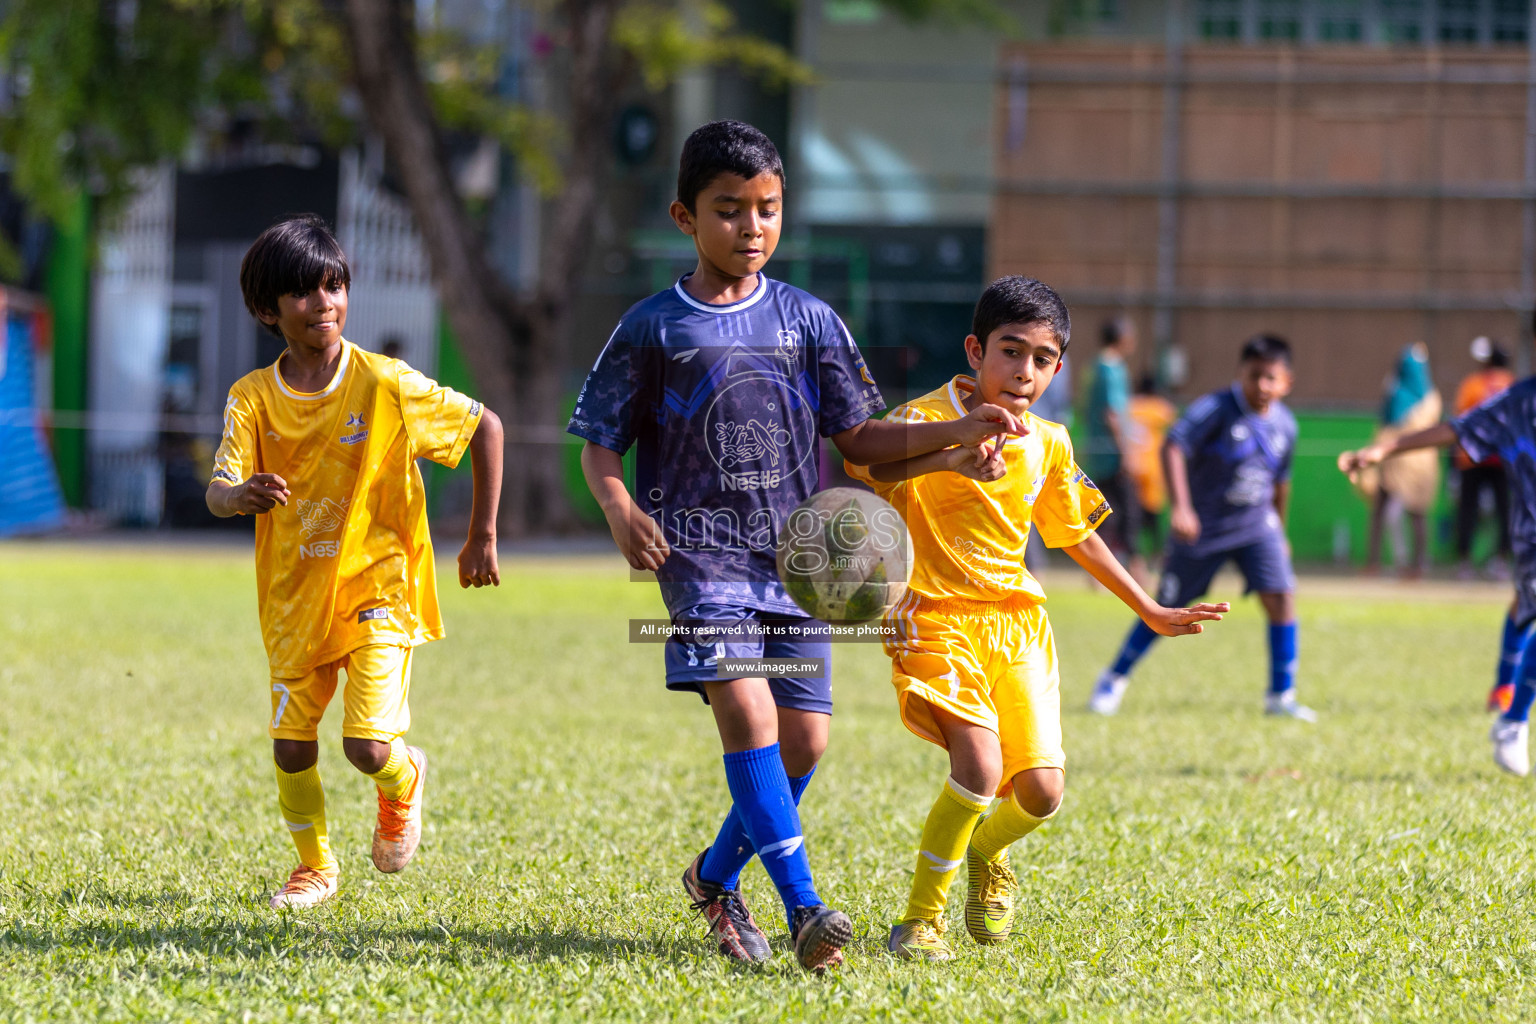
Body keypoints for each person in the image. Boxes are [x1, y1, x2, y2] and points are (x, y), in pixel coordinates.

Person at [568, 121, 1024, 972]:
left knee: (806, 743)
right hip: (700, 559)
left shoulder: (809, 319)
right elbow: (599, 439)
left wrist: (956, 437)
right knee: (747, 712)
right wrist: (617, 503)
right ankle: (806, 910)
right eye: (729, 210)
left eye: (768, 210)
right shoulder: (653, 326)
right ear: (685, 216)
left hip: (800, 561)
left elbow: (859, 439)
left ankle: (712, 880)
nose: (751, 227)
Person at [845, 276, 1228, 961]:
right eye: (1010, 351)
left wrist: (1149, 607)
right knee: (981, 765)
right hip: (932, 618)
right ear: (975, 350)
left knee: (1044, 792)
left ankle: (987, 852)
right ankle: (918, 923)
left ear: (1059, 365)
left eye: (1042, 358)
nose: (1024, 371)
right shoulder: (923, 420)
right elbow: (863, 475)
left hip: (1017, 625)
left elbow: (1076, 533)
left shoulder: (1049, 443)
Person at [206, 215, 503, 910]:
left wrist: (481, 535)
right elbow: (218, 490)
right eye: (305, 293)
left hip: (380, 588)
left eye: (334, 285)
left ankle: (404, 782)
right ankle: (315, 868)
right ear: (266, 309)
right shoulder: (251, 398)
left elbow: (485, 425)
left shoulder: (383, 382)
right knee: (290, 748)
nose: (325, 303)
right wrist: (238, 495)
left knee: (368, 745)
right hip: (293, 599)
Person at [1090, 334, 1315, 722]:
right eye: (1254, 375)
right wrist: (1183, 508)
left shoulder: (1286, 425)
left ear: (1286, 382)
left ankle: (1282, 694)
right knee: (1169, 607)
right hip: (1204, 529)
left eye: (1271, 378)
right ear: (1239, 373)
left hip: (1257, 525)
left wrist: (1280, 528)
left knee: (1282, 597)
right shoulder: (1215, 409)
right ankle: (1113, 678)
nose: (1262, 385)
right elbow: (1173, 447)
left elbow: (1282, 481)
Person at [1339, 374, 1536, 776]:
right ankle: (1512, 721)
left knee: (1524, 606)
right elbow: (1455, 430)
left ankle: (1507, 700)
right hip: (1532, 535)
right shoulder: (1518, 402)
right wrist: (1384, 451)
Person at [1359, 343, 1441, 579]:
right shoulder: (1431, 396)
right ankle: (1416, 565)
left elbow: (1386, 426)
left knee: (1385, 510)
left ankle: (1377, 562)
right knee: (1414, 513)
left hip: (1395, 457)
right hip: (1422, 460)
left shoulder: (1397, 392)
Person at [1084, 317, 1145, 580]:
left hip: (1099, 452)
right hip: (1112, 454)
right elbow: (1112, 414)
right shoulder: (1110, 368)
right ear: (1121, 338)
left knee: (1101, 512)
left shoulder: (1095, 367)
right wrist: (1126, 452)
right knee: (1128, 512)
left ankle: (1095, 571)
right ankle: (1136, 569)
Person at [1453, 337, 1514, 579]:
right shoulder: (1511, 385)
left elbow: (1460, 418)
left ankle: (1464, 562)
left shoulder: (1472, 384)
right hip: (1502, 458)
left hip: (1472, 456)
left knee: (1467, 509)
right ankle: (1500, 560)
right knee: (1505, 511)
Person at [1126, 373, 1178, 559]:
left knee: (1133, 516)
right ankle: (1158, 555)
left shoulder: (1130, 406)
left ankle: (1135, 556)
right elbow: (1173, 418)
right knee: (1154, 516)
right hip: (1153, 466)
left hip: (1133, 466)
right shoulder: (1159, 408)